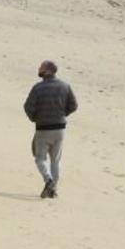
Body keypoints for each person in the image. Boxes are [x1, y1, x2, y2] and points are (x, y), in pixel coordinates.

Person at [23, 60, 78, 198]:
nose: (39, 69)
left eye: (41, 67)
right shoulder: (65, 86)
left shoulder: (38, 88)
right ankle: (53, 190)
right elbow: (74, 105)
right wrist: (62, 114)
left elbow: (28, 107)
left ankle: (48, 180)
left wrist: (35, 118)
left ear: (48, 70)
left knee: (40, 158)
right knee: (55, 160)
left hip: (43, 128)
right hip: (60, 128)